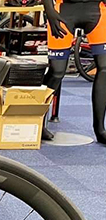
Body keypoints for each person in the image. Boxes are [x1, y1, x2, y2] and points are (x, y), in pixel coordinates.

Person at [42, 0, 106, 144]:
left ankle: (100, 129)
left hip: (97, 9)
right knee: (57, 72)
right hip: (64, 10)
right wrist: (49, 10)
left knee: (104, 69)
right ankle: (37, 123)